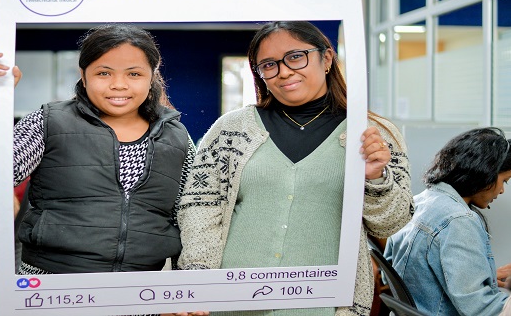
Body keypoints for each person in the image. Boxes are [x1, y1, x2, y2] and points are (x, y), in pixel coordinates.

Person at [176, 20, 414, 316]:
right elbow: (198, 211)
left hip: (323, 304)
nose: (284, 71)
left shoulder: (372, 134)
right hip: (231, 301)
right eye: (269, 65)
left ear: (326, 58)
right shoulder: (230, 131)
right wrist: (197, 283)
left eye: (295, 56)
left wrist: (377, 178)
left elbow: (392, 223)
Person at [0, 23, 195, 275]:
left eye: (134, 74)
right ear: (84, 74)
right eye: (104, 73)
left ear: (152, 76)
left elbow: (189, 217)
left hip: (139, 292)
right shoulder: (49, 121)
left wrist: (183, 289)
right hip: (51, 283)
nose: (119, 85)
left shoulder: (176, 137)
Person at [385, 127, 511, 316]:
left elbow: (395, 277)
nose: (501, 190)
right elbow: (483, 310)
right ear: (485, 173)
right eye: (505, 181)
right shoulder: (458, 221)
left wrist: (483, 275)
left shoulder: (419, 202)